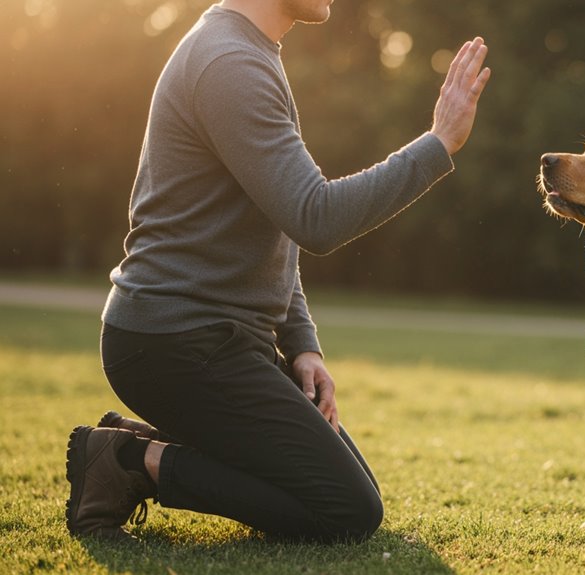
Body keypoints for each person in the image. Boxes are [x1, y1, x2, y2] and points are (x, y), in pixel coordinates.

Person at [64, 0, 490, 541]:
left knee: (353, 490)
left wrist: (300, 340)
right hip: (173, 342)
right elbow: (315, 216)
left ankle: (133, 446)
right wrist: (438, 144)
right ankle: (127, 458)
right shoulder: (228, 62)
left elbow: (275, 222)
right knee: (345, 510)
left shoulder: (249, 51)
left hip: (221, 339)